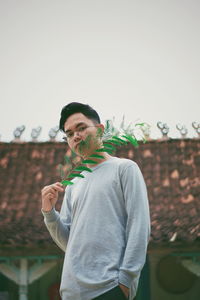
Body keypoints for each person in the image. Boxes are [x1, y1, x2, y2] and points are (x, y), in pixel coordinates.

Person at [41, 102, 151, 300]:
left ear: (100, 130)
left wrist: (125, 281)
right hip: (71, 292)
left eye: (82, 128)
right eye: (69, 133)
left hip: (110, 288)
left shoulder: (124, 169)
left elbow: (139, 227)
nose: (76, 136)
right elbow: (69, 243)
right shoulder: (74, 183)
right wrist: (49, 213)